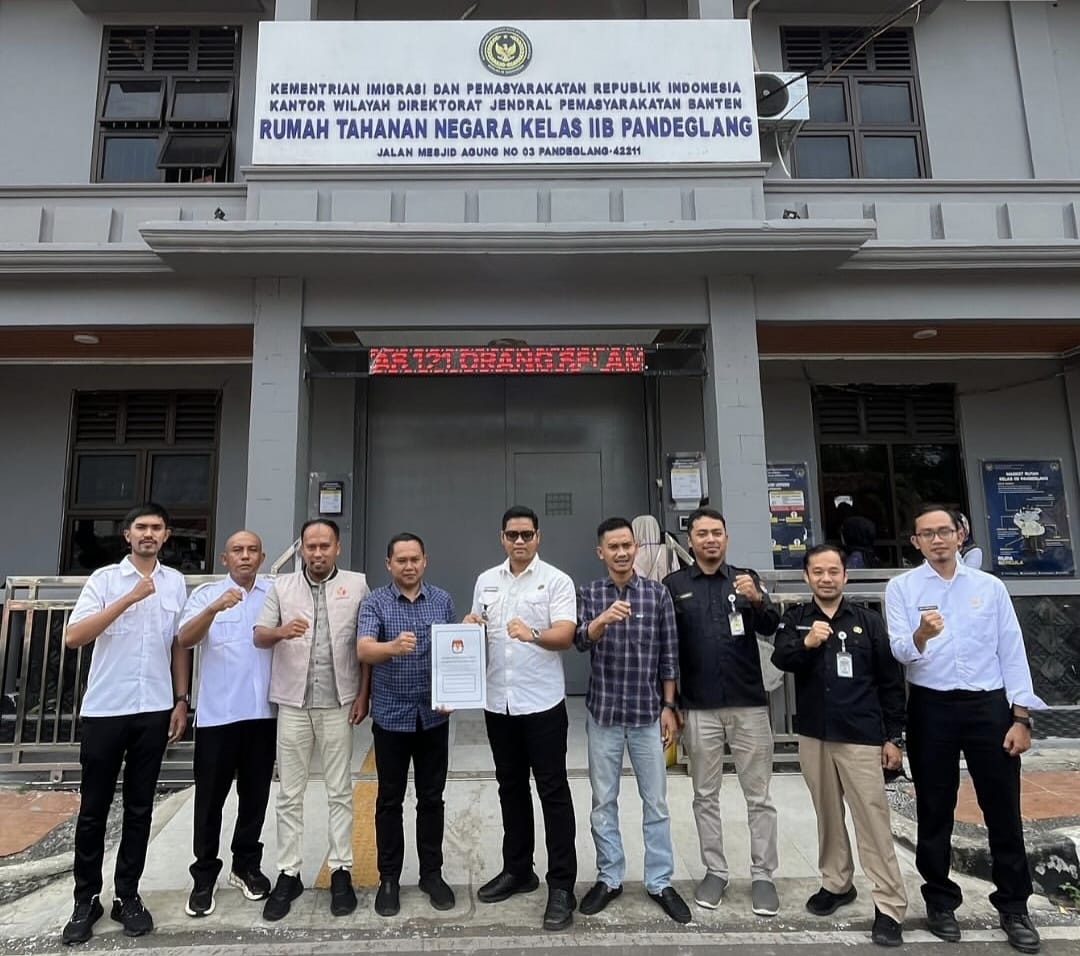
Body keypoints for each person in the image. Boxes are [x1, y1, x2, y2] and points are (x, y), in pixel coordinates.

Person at [885, 505, 1045, 954]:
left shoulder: (990, 588)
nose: (937, 540)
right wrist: (920, 635)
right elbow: (900, 651)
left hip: (988, 706)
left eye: (944, 531)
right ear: (914, 542)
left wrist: (1021, 717)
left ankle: (1014, 907)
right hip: (931, 707)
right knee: (935, 808)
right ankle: (939, 900)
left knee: (1002, 809)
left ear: (960, 534)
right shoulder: (902, 588)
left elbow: (1012, 653)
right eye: (926, 534)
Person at [61, 503, 190, 945]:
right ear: (128, 535)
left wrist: (181, 700)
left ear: (167, 535)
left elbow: (178, 645)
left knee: (140, 808)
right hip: (105, 709)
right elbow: (74, 636)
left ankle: (127, 896)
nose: (149, 534)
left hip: (153, 708)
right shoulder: (104, 580)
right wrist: (129, 598)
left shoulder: (175, 583)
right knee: (94, 809)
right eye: (141, 528)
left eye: (156, 528)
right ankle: (85, 900)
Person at [772, 544, 907, 948]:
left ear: (845, 576)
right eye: (818, 572)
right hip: (814, 734)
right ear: (806, 577)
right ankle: (836, 883)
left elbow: (890, 681)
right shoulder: (796, 620)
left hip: (862, 735)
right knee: (827, 816)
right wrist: (808, 643)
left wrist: (894, 737)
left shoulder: (868, 621)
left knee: (872, 821)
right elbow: (781, 661)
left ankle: (888, 905)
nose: (826, 578)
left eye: (834, 571)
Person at [464, 506, 578, 931]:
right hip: (499, 704)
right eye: (512, 534)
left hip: (542, 704)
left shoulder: (556, 580)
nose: (519, 541)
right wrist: (469, 625)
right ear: (502, 538)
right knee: (510, 788)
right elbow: (480, 633)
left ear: (538, 537)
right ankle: (519, 870)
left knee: (553, 792)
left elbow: (565, 636)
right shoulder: (486, 582)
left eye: (526, 534)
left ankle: (562, 885)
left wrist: (530, 632)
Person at [663, 506, 781, 916]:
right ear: (690, 541)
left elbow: (771, 628)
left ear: (726, 538)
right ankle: (715, 870)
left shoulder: (746, 579)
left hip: (749, 705)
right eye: (702, 534)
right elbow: (669, 651)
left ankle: (764, 875)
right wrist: (671, 706)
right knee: (704, 795)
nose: (710, 539)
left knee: (759, 796)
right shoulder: (674, 584)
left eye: (717, 533)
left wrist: (758, 599)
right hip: (699, 709)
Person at [575, 517, 690, 924]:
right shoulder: (589, 593)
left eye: (627, 545)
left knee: (655, 802)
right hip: (603, 714)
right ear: (601, 552)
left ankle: (660, 881)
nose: (621, 552)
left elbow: (669, 655)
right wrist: (601, 621)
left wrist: (669, 707)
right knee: (602, 801)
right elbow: (578, 639)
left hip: (646, 714)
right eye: (613, 546)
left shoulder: (657, 595)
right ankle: (609, 877)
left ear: (636, 549)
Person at [253, 519, 370, 922]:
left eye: (324, 546)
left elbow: (366, 642)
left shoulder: (357, 585)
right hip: (293, 702)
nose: (317, 553)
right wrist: (282, 631)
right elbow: (259, 635)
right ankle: (289, 872)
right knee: (290, 793)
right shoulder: (281, 587)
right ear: (301, 549)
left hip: (339, 701)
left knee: (340, 790)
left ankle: (341, 870)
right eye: (310, 547)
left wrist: (363, 694)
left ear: (338, 547)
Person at [357, 533, 456, 917]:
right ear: (389, 564)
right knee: (389, 800)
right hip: (392, 717)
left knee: (432, 799)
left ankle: (432, 874)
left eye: (415, 558)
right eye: (401, 560)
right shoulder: (375, 602)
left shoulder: (443, 600)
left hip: (434, 716)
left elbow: (453, 651)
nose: (409, 565)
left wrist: (456, 692)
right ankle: (388, 878)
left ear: (425, 561)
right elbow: (364, 648)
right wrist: (390, 648)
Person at [178, 530, 275, 918]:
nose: (246, 556)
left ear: (262, 557)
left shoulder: (273, 595)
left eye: (253, 550)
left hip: (263, 715)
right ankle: (204, 874)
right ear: (224, 558)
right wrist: (214, 608)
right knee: (210, 799)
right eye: (238, 550)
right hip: (218, 716)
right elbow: (185, 639)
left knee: (255, 797)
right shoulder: (204, 596)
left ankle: (246, 864)